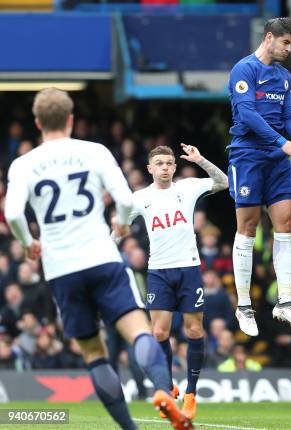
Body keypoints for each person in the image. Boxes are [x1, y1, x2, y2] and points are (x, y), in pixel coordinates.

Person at [4, 88, 192, 429]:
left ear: (37, 123)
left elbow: (13, 213)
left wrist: (28, 242)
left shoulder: (24, 163)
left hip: (61, 268)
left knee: (94, 353)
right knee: (139, 333)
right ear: (71, 119)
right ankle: (164, 391)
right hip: (102, 257)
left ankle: (129, 428)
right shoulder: (94, 151)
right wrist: (121, 222)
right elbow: (124, 199)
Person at [113, 143, 228, 420]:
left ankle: (190, 393)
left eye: (169, 163)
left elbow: (222, 182)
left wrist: (200, 159)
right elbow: (120, 228)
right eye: (159, 163)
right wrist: (106, 253)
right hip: (159, 272)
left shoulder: (187, 187)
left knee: (194, 332)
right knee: (160, 334)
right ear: (150, 168)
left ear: (174, 167)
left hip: (188, 270)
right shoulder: (139, 198)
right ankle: (166, 388)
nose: (165, 167)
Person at [227, 17, 291, 336]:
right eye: (286, 43)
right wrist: (282, 142)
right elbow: (247, 115)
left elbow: (288, 115)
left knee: (285, 223)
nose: (289, 49)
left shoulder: (284, 76)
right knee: (248, 227)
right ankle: (244, 306)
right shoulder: (244, 69)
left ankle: (285, 301)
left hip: (279, 156)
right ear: (269, 38)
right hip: (247, 154)